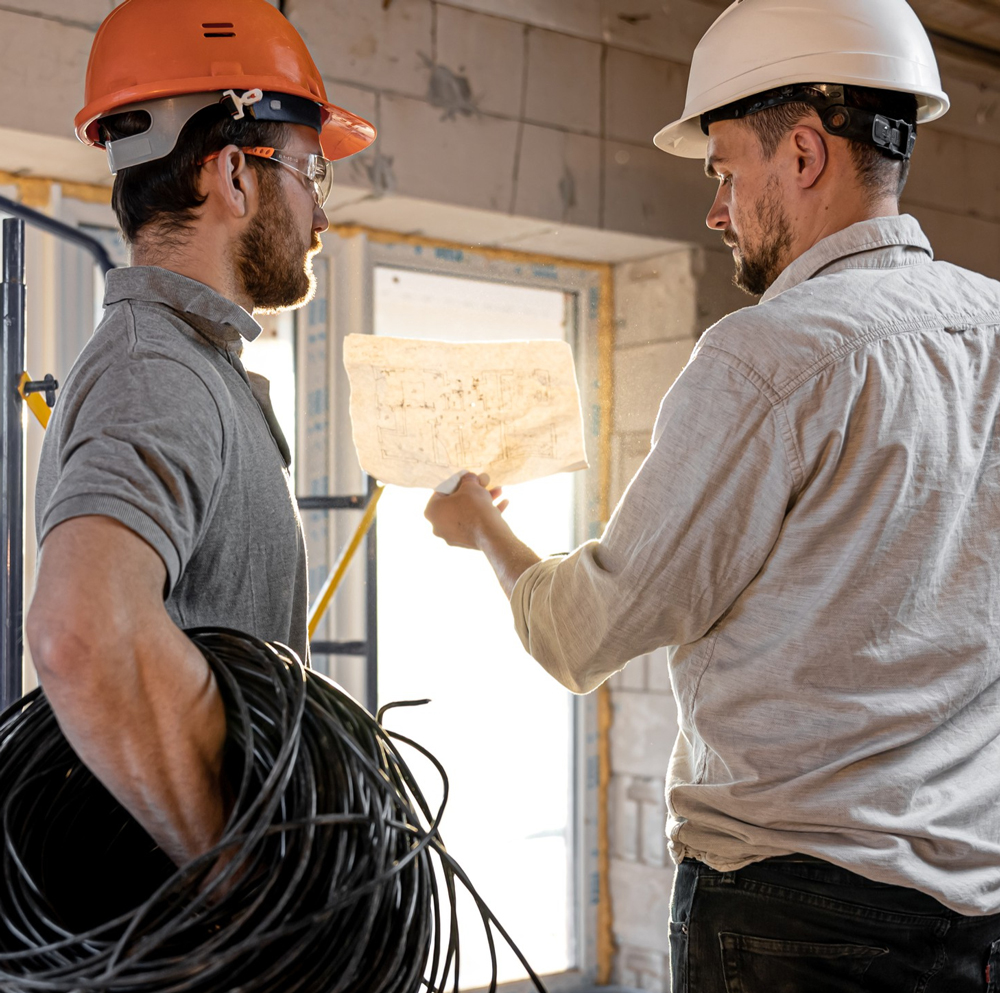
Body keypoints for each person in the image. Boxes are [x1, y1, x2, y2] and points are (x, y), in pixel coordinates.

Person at [424, 0, 1000, 989]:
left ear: (806, 154)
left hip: (796, 918)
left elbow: (583, 634)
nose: (716, 210)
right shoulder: (989, 324)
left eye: (726, 171)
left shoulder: (767, 355)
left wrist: (479, 529)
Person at [25, 0, 374, 870]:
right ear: (234, 175)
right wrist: (233, 876)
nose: (321, 219)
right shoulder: (161, 372)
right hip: (185, 935)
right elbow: (79, 630)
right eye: (310, 174)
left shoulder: (185, 365)